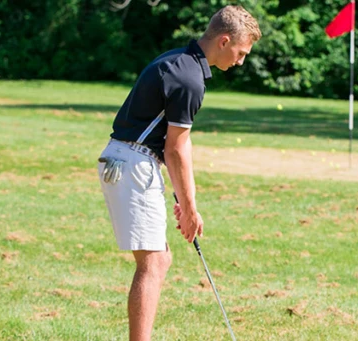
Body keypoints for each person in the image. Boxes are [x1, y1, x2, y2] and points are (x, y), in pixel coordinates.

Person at [96, 5, 261, 341]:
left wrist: (184, 199)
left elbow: (172, 148)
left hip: (131, 161)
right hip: (133, 164)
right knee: (153, 264)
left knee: (160, 259)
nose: (241, 61)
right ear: (225, 41)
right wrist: (188, 206)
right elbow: (175, 148)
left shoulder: (178, 61)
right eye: (241, 53)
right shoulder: (189, 79)